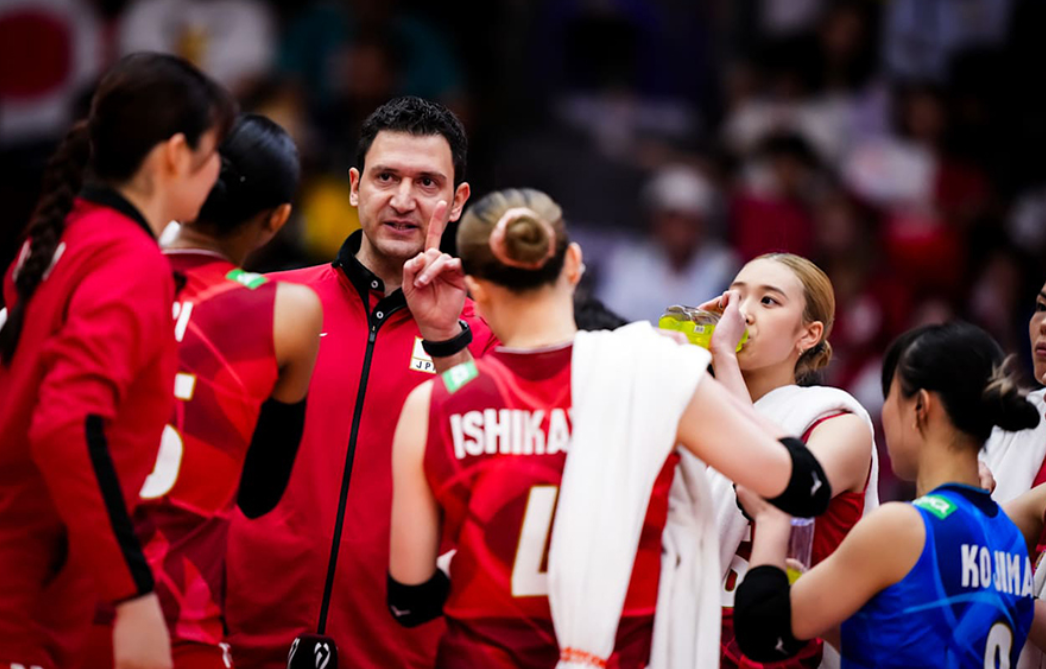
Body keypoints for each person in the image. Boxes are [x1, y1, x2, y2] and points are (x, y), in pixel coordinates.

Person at [388, 188, 838, 669]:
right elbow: (805, 485)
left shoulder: (430, 403)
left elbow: (409, 602)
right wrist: (701, 360)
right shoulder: (653, 373)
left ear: (475, 287)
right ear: (574, 265)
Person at [224, 96, 496, 669]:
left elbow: (491, 486)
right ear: (355, 187)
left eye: (427, 182)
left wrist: (446, 341)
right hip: (245, 639)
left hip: (403, 652)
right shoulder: (266, 301)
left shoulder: (487, 336)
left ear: (457, 201)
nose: (403, 200)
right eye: (386, 177)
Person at [0, 52, 234, 669]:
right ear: (175, 154)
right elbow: (65, 425)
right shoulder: (128, 260)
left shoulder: (57, 236)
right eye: (214, 152)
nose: (218, 171)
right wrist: (133, 596)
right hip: (27, 605)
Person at [79, 114, 322, 668]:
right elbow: (260, 493)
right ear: (277, 219)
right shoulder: (287, 311)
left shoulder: (90, 279)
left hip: (59, 619)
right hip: (175, 627)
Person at [733, 322, 1039, 669]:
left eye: (889, 395)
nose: (885, 413)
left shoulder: (903, 527)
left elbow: (762, 631)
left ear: (920, 406)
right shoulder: (1011, 539)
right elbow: (918, 642)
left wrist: (771, 517)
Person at [698, 253, 877, 668]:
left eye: (768, 301)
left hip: (779, 655)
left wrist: (724, 356)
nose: (743, 313)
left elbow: (773, 483)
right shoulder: (695, 412)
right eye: (734, 297)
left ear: (808, 335)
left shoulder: (837, 422)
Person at [598, 164, 738, 323]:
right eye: (673, 217)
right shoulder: (626, 261)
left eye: (690, 220)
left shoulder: (722, 268)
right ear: (655, 219)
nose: (680, 228)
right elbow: (610, 318)